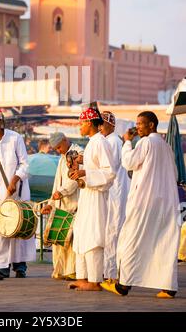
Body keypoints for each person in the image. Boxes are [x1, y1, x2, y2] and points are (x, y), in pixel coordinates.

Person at [101, 111, 180, 298]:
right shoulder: (166, 147)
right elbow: (175, 174)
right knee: (164, 243)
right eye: (136, 123)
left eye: (141, 123)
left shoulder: (146, 142)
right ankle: (168, 287)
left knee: (131, 240)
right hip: (166, 203)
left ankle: (123, 285)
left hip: (145, 202)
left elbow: (128, 162)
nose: (137, 127)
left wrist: (127, 142)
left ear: (151, 125)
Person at [0, 106, 36, 279]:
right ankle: (1, 266)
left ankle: (20, 266)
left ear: (1, 122)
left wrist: (15, 180)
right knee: (1, 227)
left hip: (18, 190)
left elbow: (25, 164)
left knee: (20, 227)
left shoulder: (15, 138)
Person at [68, 108, 115, 292]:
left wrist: (84, 172)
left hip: (97, 196)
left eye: (81, 123)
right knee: (81, 233)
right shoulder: (91, 143)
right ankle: (84, 277)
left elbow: (109, 172)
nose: (80, 126)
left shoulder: (101, 143)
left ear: (89, 123)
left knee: (94, 236)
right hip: (87, 194)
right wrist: (79, 169)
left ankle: (95, 281)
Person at [41, 132, 81, 280]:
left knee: (71, 240)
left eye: (59, 147)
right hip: (60, 205)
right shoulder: (61, 159)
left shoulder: (78, 153)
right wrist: (51, 204)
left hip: (74, 204)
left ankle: (73, 271)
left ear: (65, 140)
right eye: (56, 149)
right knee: (59, 240)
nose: (58, 151)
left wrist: (62, 192)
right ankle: (61, 270)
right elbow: (56, 184)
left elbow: (75, 178)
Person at [99, 111, 130, 282]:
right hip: (111, 191)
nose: (100, 127)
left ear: (111, 125)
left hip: (116, 192)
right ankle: (109, 270)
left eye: (103, 124)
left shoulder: (114, 142)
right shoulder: (107, 141)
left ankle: (111, 273)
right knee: (109, 232)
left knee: (113, 232)